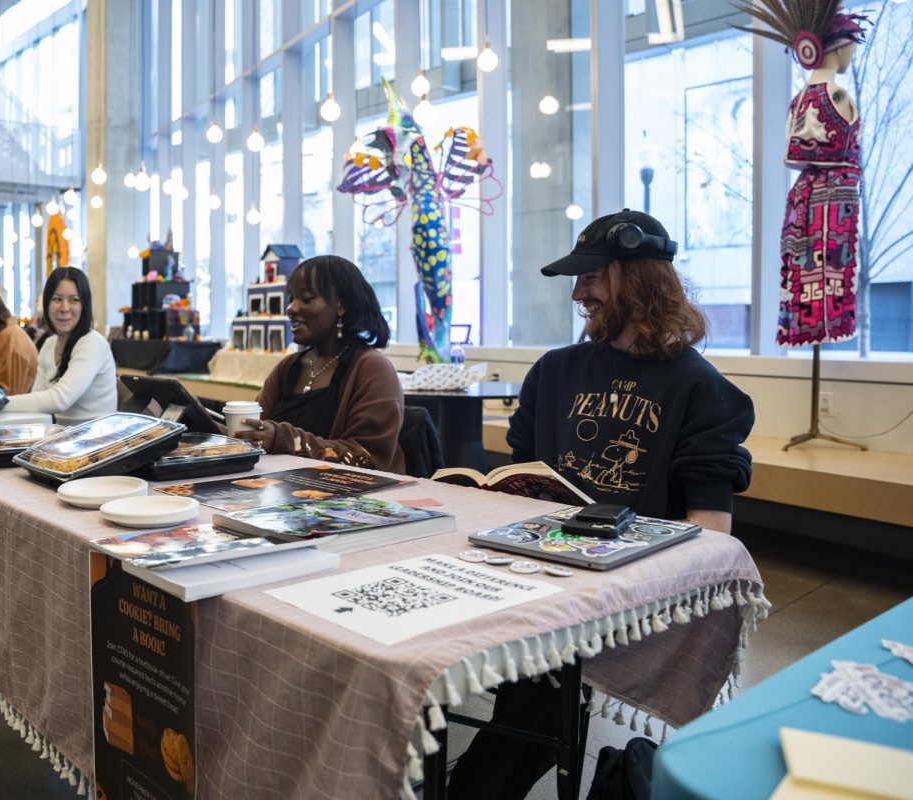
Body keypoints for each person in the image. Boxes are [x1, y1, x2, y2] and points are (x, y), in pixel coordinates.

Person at [447, 209, 755, 799]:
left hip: (628, 590)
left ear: (639, 278)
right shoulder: (554, 371)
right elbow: (521, 475)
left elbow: (711, 535)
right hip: (530, 566)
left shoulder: (701, 388)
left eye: (592, 275)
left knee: (538, 691)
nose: (578, 291)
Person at [232, 255, 406, 473]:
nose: (291, 309)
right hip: (287, 491)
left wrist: (285, 439)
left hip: (350, 500)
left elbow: (367, 456)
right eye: (291, 299)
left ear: (341, 305)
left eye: (306, 299)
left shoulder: (372, 368)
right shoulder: (288, 368)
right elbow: (256, 431)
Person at [4, 267, 119, 425]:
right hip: (58, 438)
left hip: (97, 442)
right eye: (57, 299)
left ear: (84, 305)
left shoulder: (92, 343)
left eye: (74, 300)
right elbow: (37, 399)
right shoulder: (49, 344)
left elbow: (60, 399)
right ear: (46, 303)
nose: (64, 308)